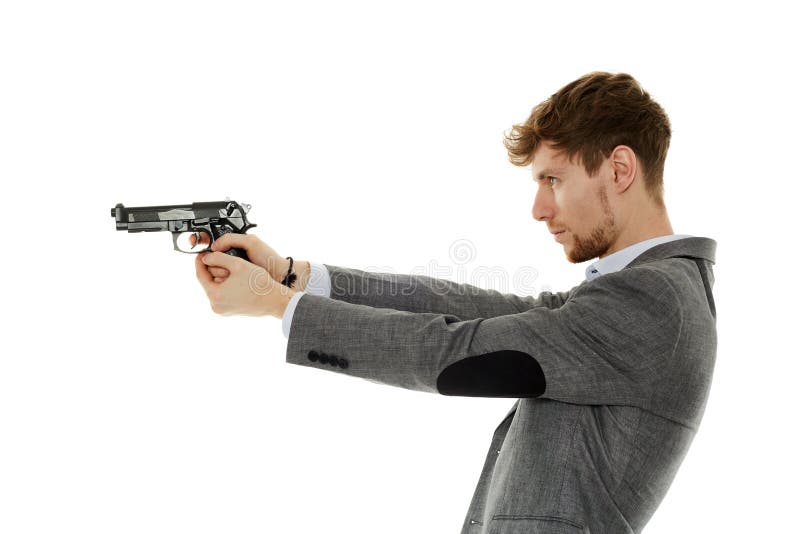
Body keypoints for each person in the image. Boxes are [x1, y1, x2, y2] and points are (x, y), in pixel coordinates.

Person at [194, 71, 717, 534]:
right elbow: (470, 308)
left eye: (552, 179)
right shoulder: (633, 292)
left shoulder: (655, 301)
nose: (538, 208)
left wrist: (278, 306)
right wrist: (294, 276)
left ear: (620, 170)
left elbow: (456, 351)